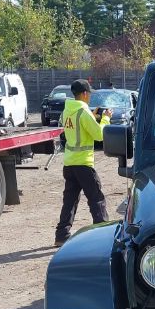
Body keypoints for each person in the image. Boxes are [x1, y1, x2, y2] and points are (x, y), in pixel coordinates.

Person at [54, 79, 112, 247]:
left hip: (69, 163)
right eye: (89, 94)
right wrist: (105, 119)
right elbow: (99, 135)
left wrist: (92, 117)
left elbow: (76, 129)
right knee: (96, 199)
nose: (90, 97)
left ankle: (61, 235)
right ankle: (103, 234)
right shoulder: (83, 112)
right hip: (84, 163)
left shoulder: (68, 111)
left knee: (70, 201)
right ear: (85, 94)